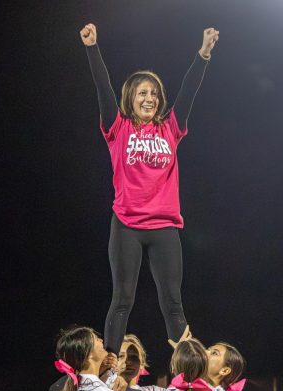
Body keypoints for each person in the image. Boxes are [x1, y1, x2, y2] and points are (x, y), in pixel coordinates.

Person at [80, 23, 219, 360]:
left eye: (154, 93)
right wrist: (92, 48)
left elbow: (188, 92)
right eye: (142, 93)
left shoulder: (171, 127)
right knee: (122, 298)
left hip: (164, 227)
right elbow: (103, 87)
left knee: (172, 301)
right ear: (131, 98)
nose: (149, 98)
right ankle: (109, 369)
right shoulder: (118, 127)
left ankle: (188, 375)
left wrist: (202, 55)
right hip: (126, 224)